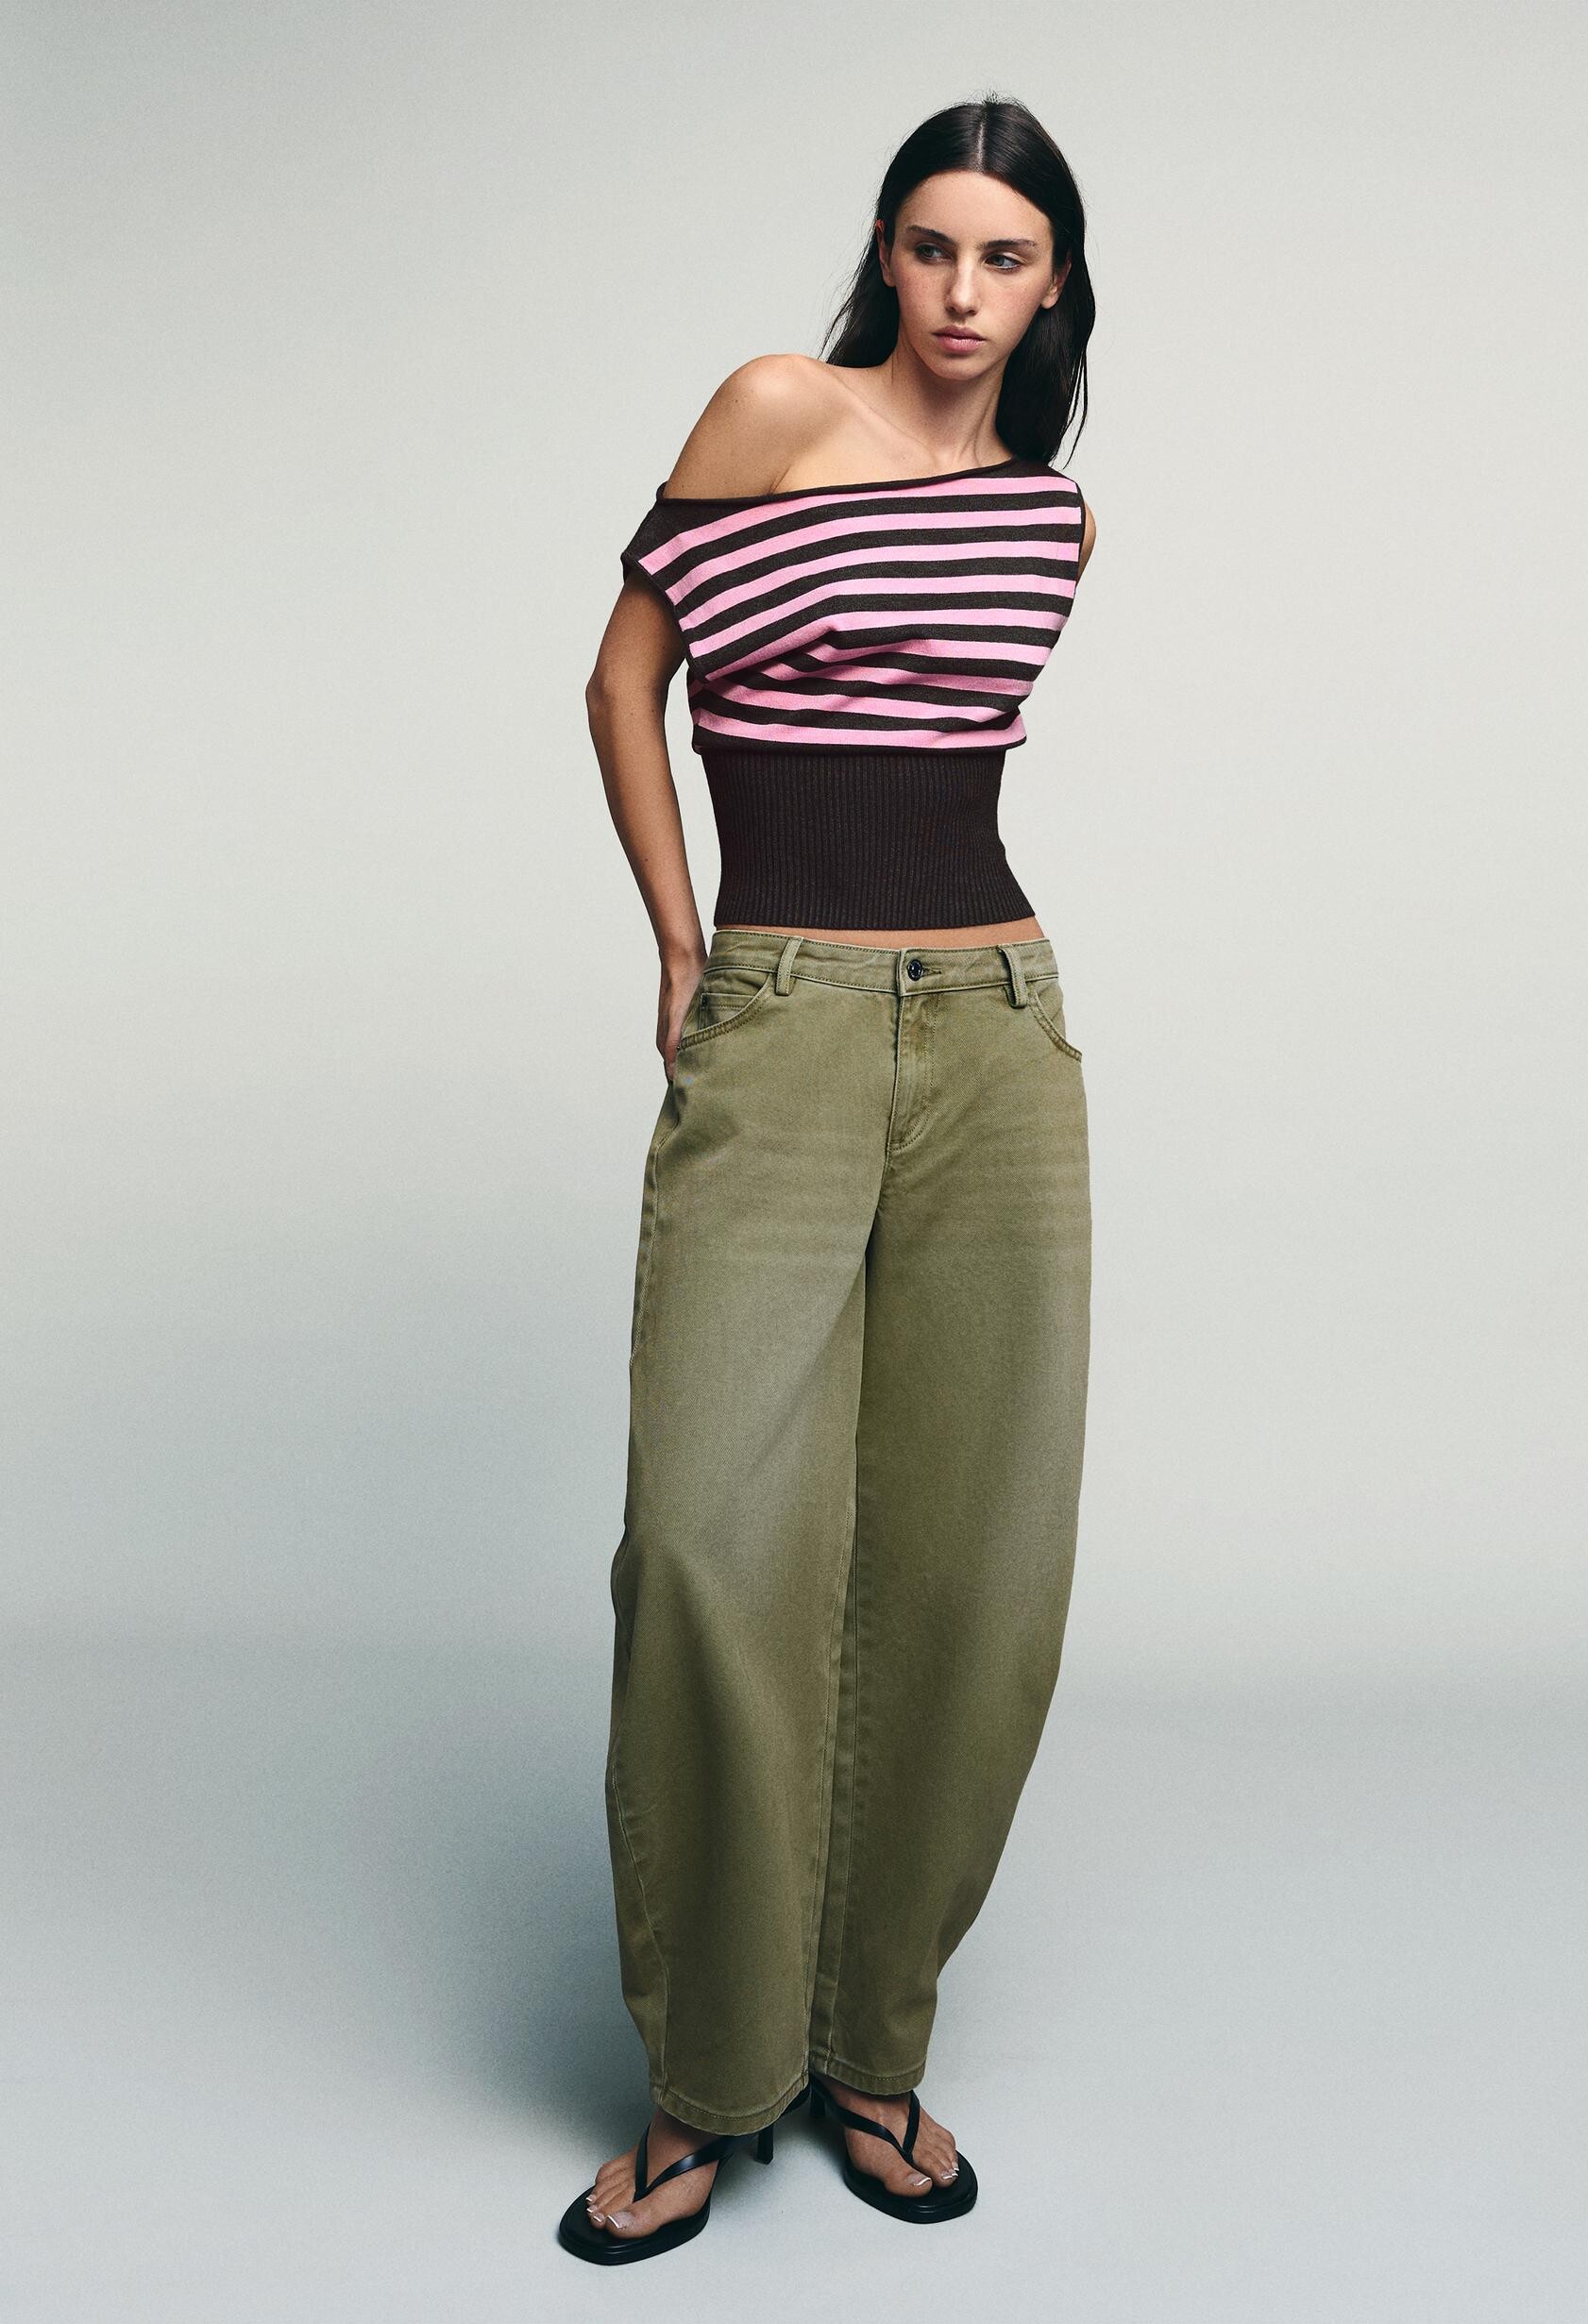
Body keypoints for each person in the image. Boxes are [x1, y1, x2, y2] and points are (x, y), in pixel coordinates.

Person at [560, 93, 1098, 2265]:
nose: (962, 291)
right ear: (886, 252)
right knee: (710, 1538)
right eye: (931, 245)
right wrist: (681, 942)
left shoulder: (1050, 513)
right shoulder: (775, 409)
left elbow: (940, 766)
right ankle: (707, 2075)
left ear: (1054, 286)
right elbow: (625, 678)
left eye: (1005, 258)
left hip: (993, 1028)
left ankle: (871, 2045)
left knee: (978, 1561)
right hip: (780, 1010)